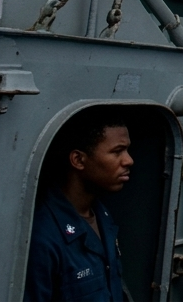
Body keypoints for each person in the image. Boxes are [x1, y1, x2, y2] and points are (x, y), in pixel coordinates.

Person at [26, 107, 134, 302]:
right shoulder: (43, 235)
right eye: (117, 151)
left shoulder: (102, 217)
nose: (129, 160)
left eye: (127, 150)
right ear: (78, 160)